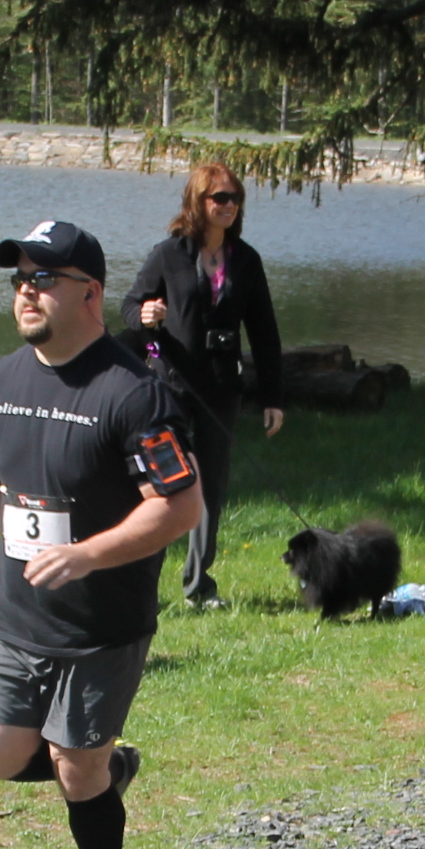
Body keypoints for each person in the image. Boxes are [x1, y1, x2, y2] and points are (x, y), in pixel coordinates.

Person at [0, 219, 200, 849]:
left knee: (74, 768)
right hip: (15, 619)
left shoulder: (135, 393)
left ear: (91, 293)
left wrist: (88, 555)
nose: (27, 292)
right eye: (20, 279)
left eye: (44, 279)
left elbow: (180, 506)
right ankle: (107, 766)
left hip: (100, 626)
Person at [128, 162, 285, 611]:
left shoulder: (246, 260)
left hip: (222, 388)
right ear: (197, 202)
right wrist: (145, 316)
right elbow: (130, 306)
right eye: (220, 198)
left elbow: (265, 331)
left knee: (210, 486)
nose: (229, 206)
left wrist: (273, 396)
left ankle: (199, 586)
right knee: (163, 482)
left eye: (235, 198)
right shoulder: (168, 254)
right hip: (172, 386)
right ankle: (142, 585)